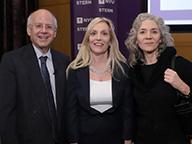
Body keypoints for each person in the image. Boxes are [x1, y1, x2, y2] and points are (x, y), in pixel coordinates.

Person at [0, 9, 70, 144]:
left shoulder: (64, 61)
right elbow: (6, 113)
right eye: (38, 26)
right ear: (28, 30)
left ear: (55, 33)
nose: (44, 31)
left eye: (49, 27)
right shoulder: (11, 61)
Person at [125, 12, 192, 144]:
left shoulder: (178, 65)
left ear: (161, 38)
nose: (148, 36)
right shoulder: (132, 71)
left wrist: (184, 88)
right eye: (143, 32)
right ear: (136, 40)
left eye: (154, 32)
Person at [65, 17, 134, 144]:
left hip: (116, 139)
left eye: (104, 33)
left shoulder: (123, 69)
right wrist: (73, 141)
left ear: (111, 40)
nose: (98, 38)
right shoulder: (74, 71)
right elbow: (71, 112)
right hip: (84, 139)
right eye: (93, 33)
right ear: (88, 39)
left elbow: (127, 109)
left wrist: (128, 139)